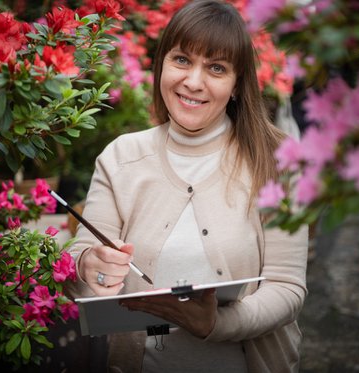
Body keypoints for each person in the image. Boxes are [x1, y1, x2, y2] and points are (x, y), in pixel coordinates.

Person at [65, 1, 308, 372]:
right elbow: (79, 267)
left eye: (215, 68)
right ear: (161, 63)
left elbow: (287, 288)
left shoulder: (275, 162)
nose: (193, 82)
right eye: (181, 60)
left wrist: (215, 324)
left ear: (238, 83)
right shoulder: (121, 158)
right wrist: (87, 266)